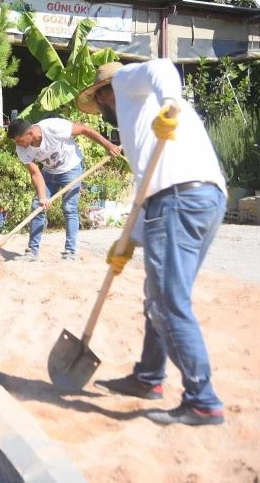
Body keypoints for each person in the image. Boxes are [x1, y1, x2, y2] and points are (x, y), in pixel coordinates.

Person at [77, 60, 228, 426]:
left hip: (178, 199)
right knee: (158, 294)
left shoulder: (128, 84)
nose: (100, 111)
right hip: (202, 196)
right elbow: (149, 186)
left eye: (99, 103)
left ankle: (202, 401)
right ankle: (148, 376)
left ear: (105, 93)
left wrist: (170, 104)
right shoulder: (140, 124)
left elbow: (161, 67)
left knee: (168, 303)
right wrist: (127, 241)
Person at [6, 117, 121, 261]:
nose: (19, 145)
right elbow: (35, 173)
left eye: (20, 141)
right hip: (49, 172)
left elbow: (85, 129)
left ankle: (70, 252)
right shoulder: (21, 148)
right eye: (16, 142)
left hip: (71, 168)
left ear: (30, 134)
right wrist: (42, 198)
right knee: (37, 206)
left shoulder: (53, 127)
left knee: (69, 208)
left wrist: (108, 145)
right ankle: (32, 252)